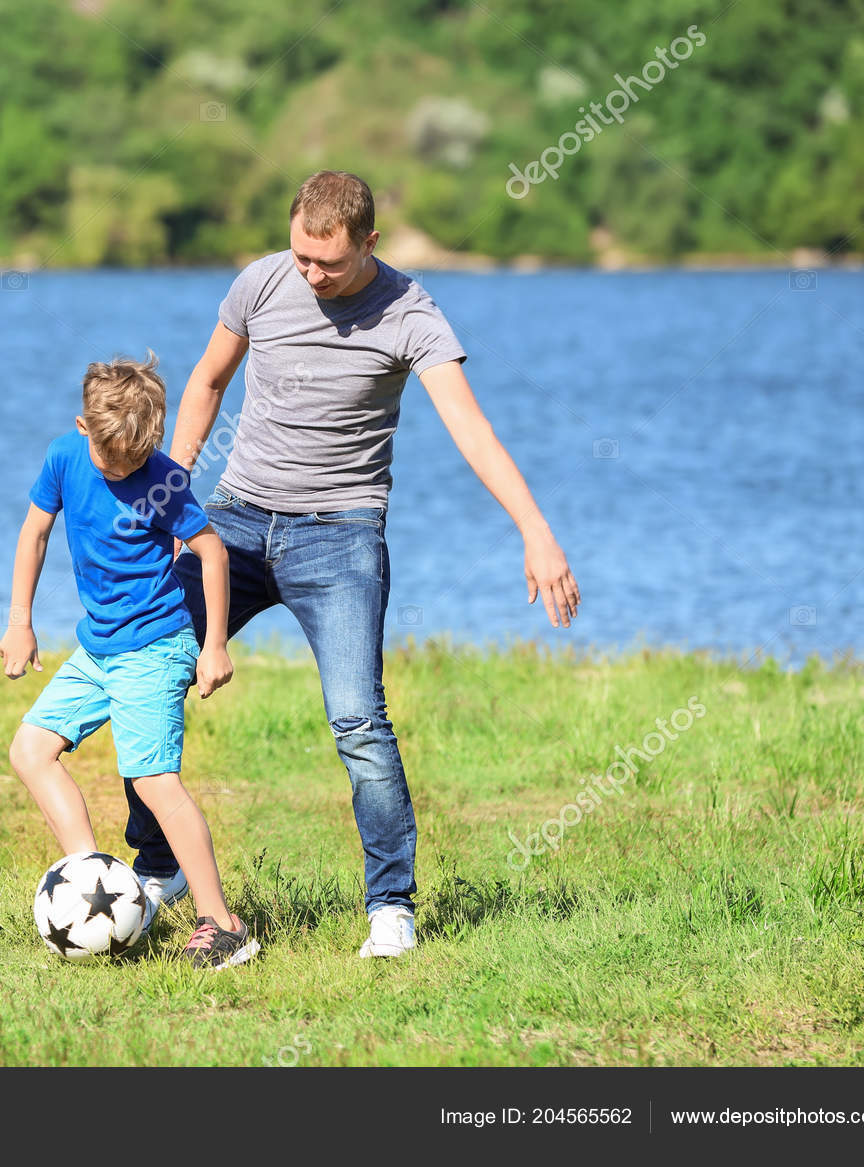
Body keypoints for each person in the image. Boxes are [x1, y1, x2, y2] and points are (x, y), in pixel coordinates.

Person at [123, 170, 582, 959]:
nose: (310, 274)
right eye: (301, 255)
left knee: (358, 720)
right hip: (233, 520)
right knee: (147, 667)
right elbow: (205, 382)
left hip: (338, 536)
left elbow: (471, 429)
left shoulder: (413, 315)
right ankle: (160, 865)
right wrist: (174, 497)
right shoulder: (261, 282)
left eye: (327, 263)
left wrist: (535, 530)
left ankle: (391, 907)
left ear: (369, 242)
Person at [0, 352, 259, 970]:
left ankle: (222, 925)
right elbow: (34, 533)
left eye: (136, 459)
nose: (124, 470)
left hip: (155, 647)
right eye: (114, 459)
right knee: (30, 751)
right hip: (98, 647)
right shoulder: (65, 456)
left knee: (152, 781)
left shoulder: (161, 477)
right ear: (85, 428)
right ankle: (96, 885)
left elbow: (212, 551)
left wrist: (215, 643)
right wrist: (19, 622)